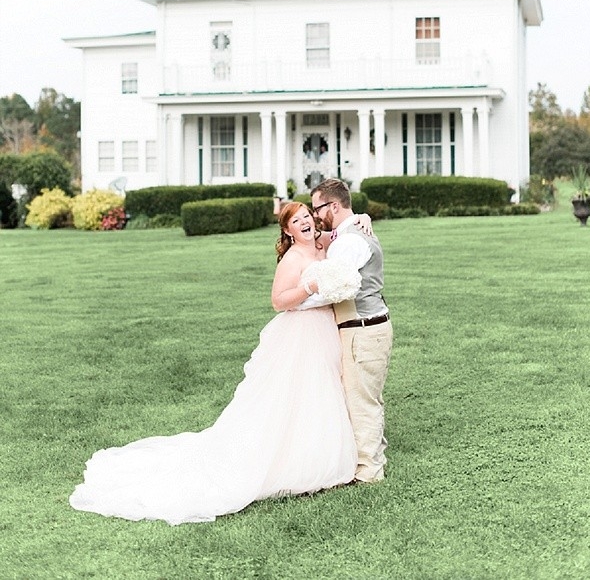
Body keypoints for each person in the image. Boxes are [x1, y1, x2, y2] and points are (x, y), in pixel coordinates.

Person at [69, 202, 358, 525]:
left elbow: (346, 230)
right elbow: (278, 302)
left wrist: (362, 218)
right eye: (296, 220)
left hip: (325, 330)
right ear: (287, 230)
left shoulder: (323, 243)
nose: (304, 222)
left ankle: (316, 457)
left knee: (320, 392)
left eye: (307, 216)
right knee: (292, 396)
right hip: (301, 334)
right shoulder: (292, 259)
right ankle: (290, 464)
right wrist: (309, 286)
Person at [310, 178, 393, 483]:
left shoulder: (350, 242)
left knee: (361, 401)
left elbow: (334, 289)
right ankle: (373, 454)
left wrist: (294, 300)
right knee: (367, 396)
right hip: (366, 327)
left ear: (333, 206)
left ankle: (369, 470)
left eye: (317, 207)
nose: (314, 214)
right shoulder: (349, 233)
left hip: (363, 329)